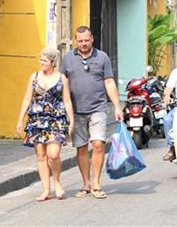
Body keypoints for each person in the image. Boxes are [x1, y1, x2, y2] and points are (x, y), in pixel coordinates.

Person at [60, 26, 123, 199]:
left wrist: (117, 106)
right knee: (81, 148)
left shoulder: (102, 57)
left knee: (98, 144)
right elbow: (62, 83)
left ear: (92, 39)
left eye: (86, 40)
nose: (83, 44)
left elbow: (109, 82)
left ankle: (96, 183)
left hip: (98, 108)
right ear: (75, 41)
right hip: (76, 111)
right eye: (80, 41)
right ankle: (86, 183)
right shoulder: (68, 58)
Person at [16, 47, 74, 201]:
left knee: (53, 154)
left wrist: (71, 121)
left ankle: (57, 183)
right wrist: (20, 120)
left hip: (56, 119)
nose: (41, 63)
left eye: (44, 61)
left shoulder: (62, 79)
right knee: (41, 156)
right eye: (40, 60)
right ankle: (46, 190)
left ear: (53, 62)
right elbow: (27, 98)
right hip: (36, 119)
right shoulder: (34, 77)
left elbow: (67, 100)